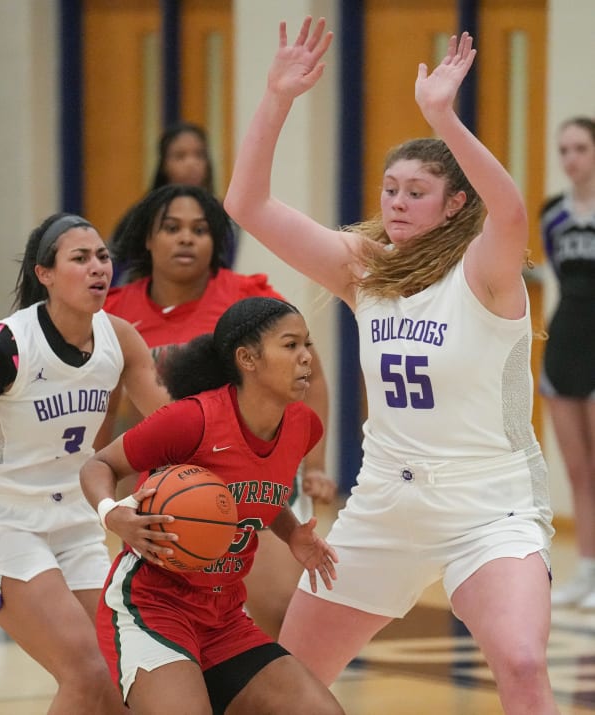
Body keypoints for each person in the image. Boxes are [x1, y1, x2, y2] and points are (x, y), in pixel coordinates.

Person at [224, 18, 557, 715]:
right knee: (287, 681)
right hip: (383, 504)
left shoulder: (488, 272)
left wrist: (445, 118)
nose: (397, 204)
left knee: (523, 663)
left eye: (416, 191)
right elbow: (246, 204)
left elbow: (512, 207)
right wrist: (277, 97)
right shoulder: (364, 270)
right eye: (389, 189)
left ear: (454, 204)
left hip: (487, 504)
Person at [0, 213, 167, 714]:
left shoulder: (120, 338)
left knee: (114, 677)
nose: (97, 267)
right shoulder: (5, 347)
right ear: (45, 274)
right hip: (1, 524)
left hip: (75, 524)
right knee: (84, 672)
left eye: (102, 257)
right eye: (80, 258)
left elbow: (171, 422)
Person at [80, 296, 344, 715]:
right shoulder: (192, 420)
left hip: (223, 615)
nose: (306, 357)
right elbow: (98, 465)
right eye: (290, 345)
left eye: (307, 345)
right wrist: (114, 514)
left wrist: (292, 532)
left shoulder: (302, 426)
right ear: (247, 359)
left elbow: (260, 491)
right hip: (151, 607)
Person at [100, 183, 336, 639]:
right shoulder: (117, 311)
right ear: (148, 238)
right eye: (172, 228)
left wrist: (317, 464)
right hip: (175, 488)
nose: (186, 238)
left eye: (200, 230)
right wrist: (98, 481)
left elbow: (315, 375)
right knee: (178, 615)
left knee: (280, 608)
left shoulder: (245, 296)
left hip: (256, 476)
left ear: (216, 243)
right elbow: (106, 406)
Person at [540, 117, 595, 609]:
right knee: (578, 469)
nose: (570, 158)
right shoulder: (552, 214)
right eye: (564, 149)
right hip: (566, 342)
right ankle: (586, 570)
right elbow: (559, 273)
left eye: (580, 147)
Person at [112, 121, 237, 279]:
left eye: (199, 155)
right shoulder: (141, 215)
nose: (191, 164)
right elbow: (118, 267)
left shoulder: (225, 217)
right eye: (180, 156)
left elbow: (225, 269)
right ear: (164, 164)